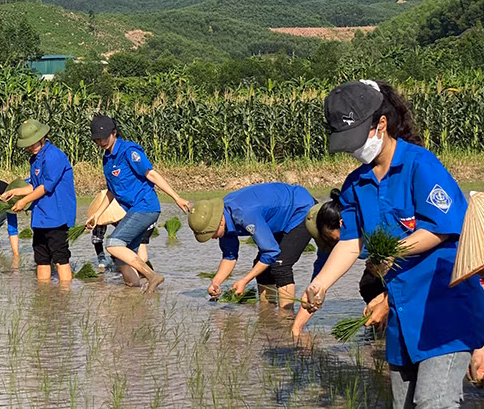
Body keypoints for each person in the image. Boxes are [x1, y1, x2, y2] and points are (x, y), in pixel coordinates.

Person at [303, 80, 484, 408]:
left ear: (380, 125)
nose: (353, 149)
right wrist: (320, 284)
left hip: (444, 310)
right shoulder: (357, 184)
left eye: (356, 138)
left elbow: (442, 228)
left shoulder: (421, 166)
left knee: (434, 403)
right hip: (402, 318)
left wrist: (392, 251)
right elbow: (350, 241)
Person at [88, 115, 190, 292]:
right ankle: (135, 295)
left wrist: (177, 197)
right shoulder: (107, 159)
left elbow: (151, 174)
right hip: (133, 210)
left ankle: (152, 276)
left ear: (114, 133)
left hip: (145, 207)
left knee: (113, 243)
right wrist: (98, 214)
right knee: (121, 258)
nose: (101, 142)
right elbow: (112, 191)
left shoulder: (129, 151)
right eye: (97, 139)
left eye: (104, 138)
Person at [187, 183, 316, 309]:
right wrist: (216, 282)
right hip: (277, 218)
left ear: (219, 222)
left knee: (280, 265)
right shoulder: (222, 216)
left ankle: (286, 318)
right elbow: (229, 256)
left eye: (212, 234)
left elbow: (270, 252)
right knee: (262, 268)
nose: (213, 238)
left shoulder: (244, 214)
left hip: (300, 209)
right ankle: (268, 316)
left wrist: (245, 280)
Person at [291, 189, 386, 338]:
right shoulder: (330, 246)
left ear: (344, 224)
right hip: (382, 270)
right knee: (368, 285)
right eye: (326, 240)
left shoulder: (377, 229)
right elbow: (315, 288)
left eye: (334, 239)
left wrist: (384, 301)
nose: (334, 246)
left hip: (409, 272)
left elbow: (413, 271)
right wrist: (297, 329)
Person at [0, 119, 76, 283]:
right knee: (41, 258)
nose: (30, 147)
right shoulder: (35, 159)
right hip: (41, 217)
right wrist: (15, 192)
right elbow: (35, 185)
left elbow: (45, 187)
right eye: (27, 145)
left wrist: (23, 202)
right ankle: (43, 297)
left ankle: (65, 296)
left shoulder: (54, 156)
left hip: (57, 216)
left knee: (60, 257)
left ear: (43, 137)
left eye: (32, 143)